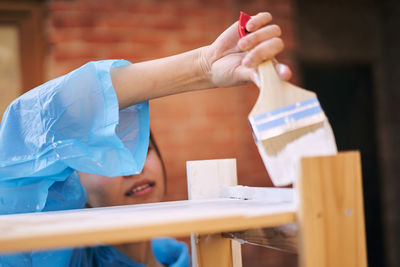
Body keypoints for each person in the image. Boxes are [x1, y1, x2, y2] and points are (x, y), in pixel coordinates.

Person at [0, 12, 291, 266]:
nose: (134, 168)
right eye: (106, 156)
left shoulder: (191, 257)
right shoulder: (49, 257)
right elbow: (31, 125)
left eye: (144, 150)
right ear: (69, 185)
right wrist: (201, 66)